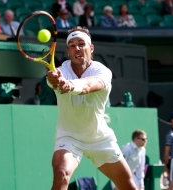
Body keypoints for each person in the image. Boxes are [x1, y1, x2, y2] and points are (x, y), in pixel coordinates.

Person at [46, 26, 137, 190]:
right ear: (68, 51)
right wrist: (55, 81)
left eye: (81, 44)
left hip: (99, 138)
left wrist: (70, 85)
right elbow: (54, 81)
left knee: (127, 184)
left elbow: (90, 84)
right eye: (72, 45)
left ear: (91, 48)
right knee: (61, 173)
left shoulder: (102, 71)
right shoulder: (60, 71)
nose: (77, 48)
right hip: (69, 137)